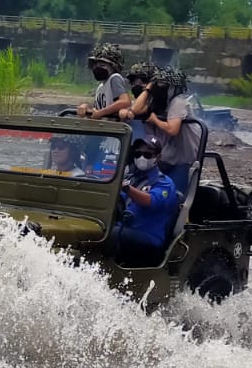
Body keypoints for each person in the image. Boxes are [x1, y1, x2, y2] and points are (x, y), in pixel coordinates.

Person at [112, 136, 178, 265]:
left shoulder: (164, 183)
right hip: (124, 228)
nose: (142, 158)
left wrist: (126, 188)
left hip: (147, 236)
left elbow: (149, 201)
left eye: (147, 154)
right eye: (138, 153)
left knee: (110, 235)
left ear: (157, 158)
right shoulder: (131, 177)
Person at [148, 68, 203, 196]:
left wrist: (154, 120)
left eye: (163, 85)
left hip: (184, 159)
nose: (159, 88)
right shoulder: (163, 102)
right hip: (170, 156)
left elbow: (173, 129)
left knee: (174, 195)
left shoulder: (178, 101)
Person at [76, 44, 130, 119]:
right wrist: (86, 107)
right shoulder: (101, 87)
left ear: (113, 66)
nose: (97, 68)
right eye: (95, 65)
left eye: (102, 65)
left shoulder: (114, 78)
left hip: (114, 128)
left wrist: (101, 113)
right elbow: (96, 110)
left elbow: (125, 102)